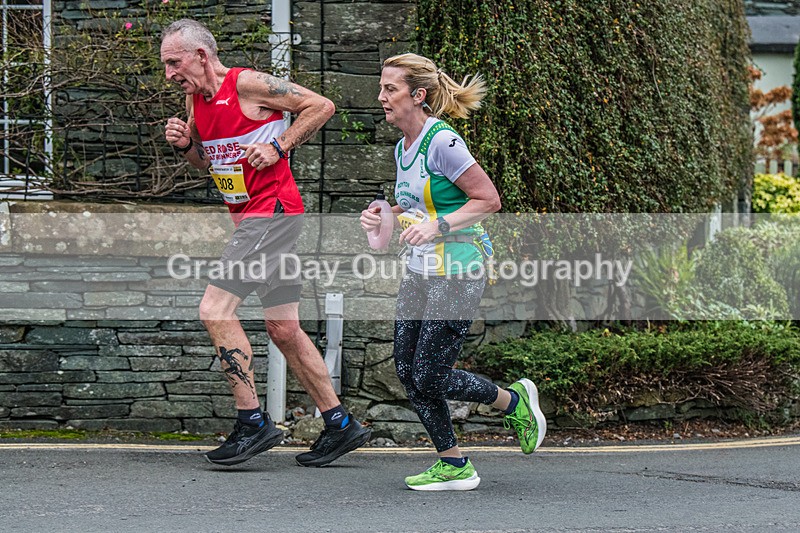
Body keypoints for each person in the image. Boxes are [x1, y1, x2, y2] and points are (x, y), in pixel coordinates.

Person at [161, 19, 370, 467]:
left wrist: (280, 144)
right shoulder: (195, 101)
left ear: (201, 55)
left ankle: (251, 422)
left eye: (173, 62)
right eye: (166, 65)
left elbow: (322, 105)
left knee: (215, 310)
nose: (169, 73)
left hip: (271, 212)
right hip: (254, 221)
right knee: (283, 328)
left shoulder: (249, 84)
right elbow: (209, 163)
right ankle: (339, 423)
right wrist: (185, 148)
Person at [360, 53, 547, 491]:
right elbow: (412, 207)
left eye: (391, 89)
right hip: (421, 270)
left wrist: (438, 225)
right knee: (407, 370)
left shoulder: (442, 141)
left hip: (460, 268)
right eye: (382, 87)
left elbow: (488, 199)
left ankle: (513, 400)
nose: (381, 96)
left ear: (417, 95)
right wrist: (381, 213)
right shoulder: (402, 147)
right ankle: (455, 464)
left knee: (429, 374)